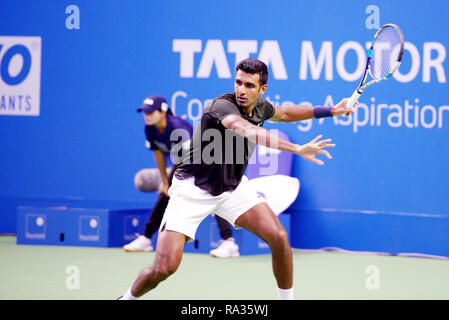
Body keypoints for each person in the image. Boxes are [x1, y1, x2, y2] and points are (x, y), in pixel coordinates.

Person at [118, 58, 354, 300]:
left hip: (232, 188)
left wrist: (332, 110)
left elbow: (283, 113)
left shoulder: (261, 106)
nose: (241, 90)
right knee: (164, 268)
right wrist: (296, 148)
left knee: (279, 237)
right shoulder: (222, 106)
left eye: (249, 85)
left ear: (262, 89)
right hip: (192, 189)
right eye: (238, 82)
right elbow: (249, 130)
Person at [123, 94, 239, 258]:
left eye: (151, 112)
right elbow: (158, 153)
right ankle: (146, 238)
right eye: (145, 112)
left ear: (163, 112)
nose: (147, 116)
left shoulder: (177, 127)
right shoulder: (149, 127)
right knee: (167, 193)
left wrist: (175, 183)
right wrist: (164, 182)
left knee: (212, 195)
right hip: (185, 160)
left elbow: (192, 157)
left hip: (208, 159)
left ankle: (229, 243)